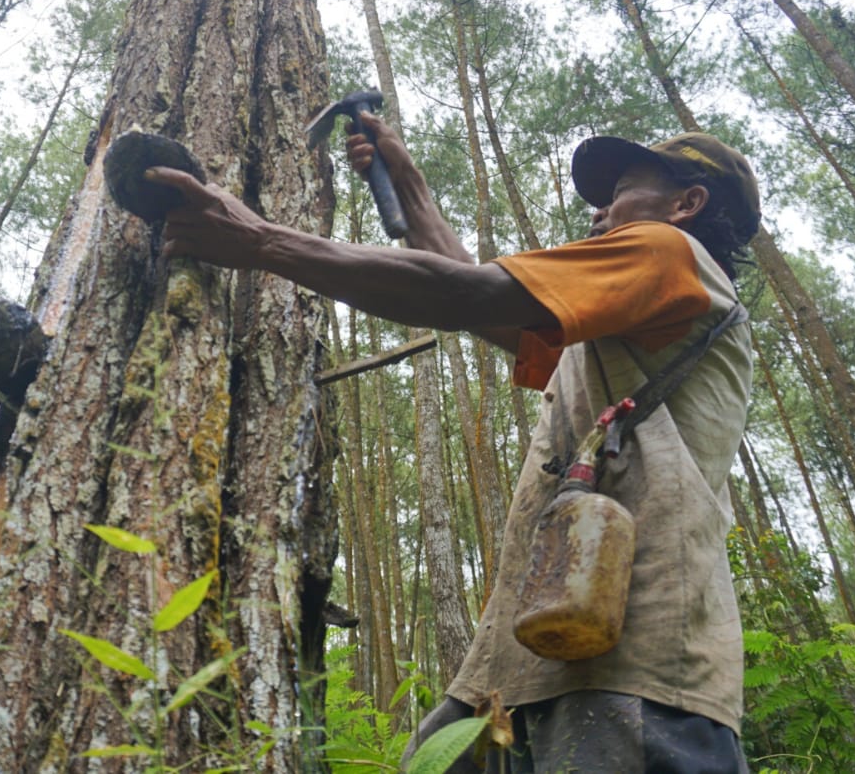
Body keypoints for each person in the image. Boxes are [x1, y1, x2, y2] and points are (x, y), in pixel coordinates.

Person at [146, 112, 760, 773]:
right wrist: (409, 190)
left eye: (619, 192)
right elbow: (481, 296)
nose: (598, 211)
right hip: (524, 663)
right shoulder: (639, 320)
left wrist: (257, 239)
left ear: (685, 204)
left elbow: (462, 294)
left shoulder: (667, 253)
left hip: (634, 669)